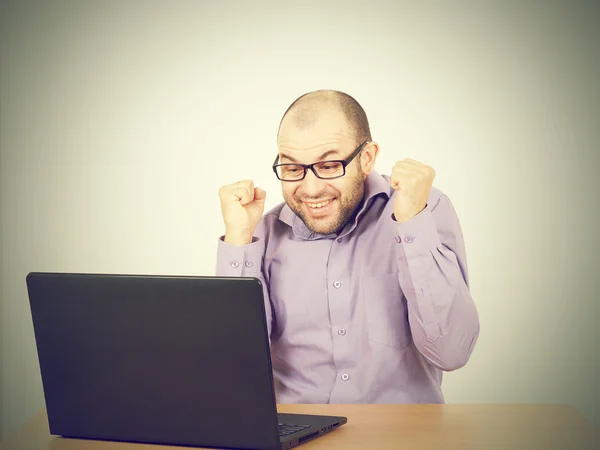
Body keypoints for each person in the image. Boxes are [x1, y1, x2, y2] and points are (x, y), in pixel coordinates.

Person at [216, 90, 479, 404]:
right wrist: (238, 241)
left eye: (328, 166)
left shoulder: (425, 211)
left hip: (400, 435)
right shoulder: (263, 231)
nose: (311, 190)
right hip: (295, 434)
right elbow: (235, 371)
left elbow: (452, 352)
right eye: (292, 169)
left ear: (366, 158)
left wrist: (411, 224)